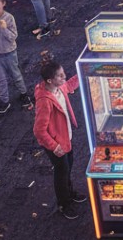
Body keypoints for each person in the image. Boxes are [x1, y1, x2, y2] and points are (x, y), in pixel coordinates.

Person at [32, 58, 86, 219]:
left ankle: (70, 193)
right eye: (60, 76)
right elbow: (39, 130)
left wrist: (83, 71)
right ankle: (64, 204)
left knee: (68, 168)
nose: (64, 77)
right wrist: (54, 146)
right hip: (57, 144)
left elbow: (69, 85)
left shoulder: (59, 87)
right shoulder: (44, 101)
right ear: (50, 80)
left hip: (65, 138)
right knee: (61, 173)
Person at [0, 0, 33, 115]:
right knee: (1, 79)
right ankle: (5, 101)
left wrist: (4, 29)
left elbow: (13, 37)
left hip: (10, 52)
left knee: (16, 75)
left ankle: (24, 94)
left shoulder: (9, 18)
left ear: (3, 4)